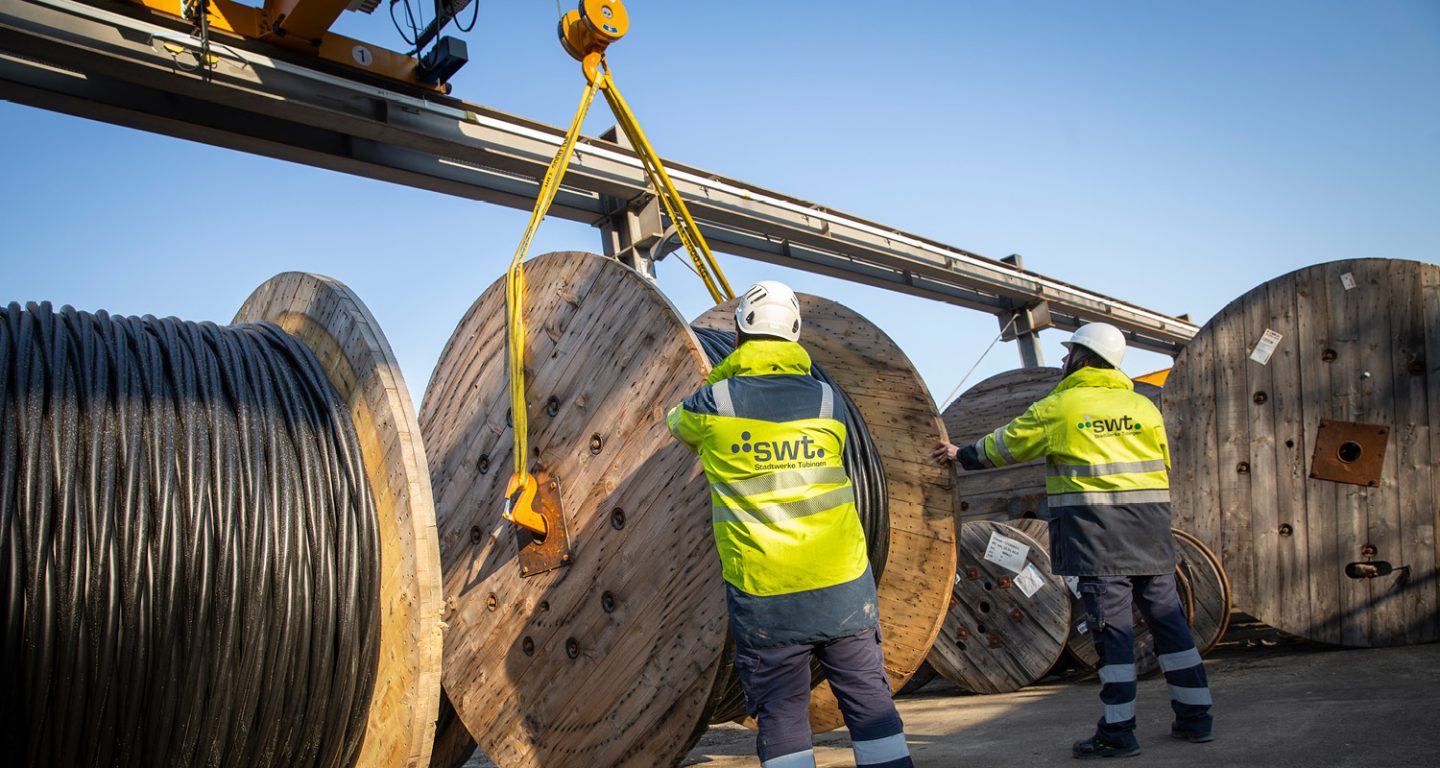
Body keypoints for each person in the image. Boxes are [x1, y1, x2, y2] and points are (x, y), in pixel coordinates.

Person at [933, 322, 1213, 759]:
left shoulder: (1062, 406)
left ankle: (1119, 733)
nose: (1063, 360)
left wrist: (960, 454)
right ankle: (1197, 719)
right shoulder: (1144, 408)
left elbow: (1006, 446)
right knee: (1170, 623)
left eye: (1068, 354)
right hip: (1150, 532)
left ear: (1084, 358)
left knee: (1113, 633)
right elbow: (1164, 464)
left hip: (1097, 536)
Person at [667, 281, 913, 768]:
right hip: (843, 584)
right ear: (796, 336)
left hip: (767, 591)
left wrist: (727, 381)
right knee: (868, 699)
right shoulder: (828, 401)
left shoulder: (713, 404)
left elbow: (675, 423)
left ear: (739, 333)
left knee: (781, 710)